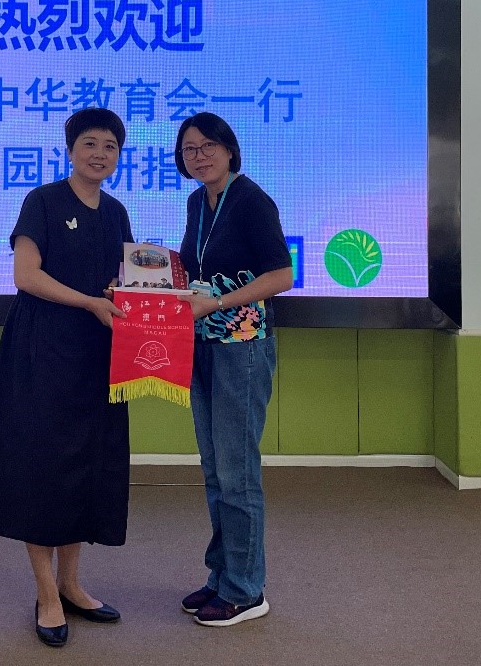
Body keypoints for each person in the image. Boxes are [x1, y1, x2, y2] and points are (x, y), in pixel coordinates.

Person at [0, 107, 133, 648]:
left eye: (110, 146)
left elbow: (122, 282)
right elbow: (26, 275)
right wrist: (88, 301)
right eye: (90, 143)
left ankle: (71, 583)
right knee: (43, 467)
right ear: (70, 150)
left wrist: (142, 297)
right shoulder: (42, 201)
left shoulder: (116, 212)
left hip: (96, 352)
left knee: (84, 464)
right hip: (41, 349)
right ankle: (46, 594)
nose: (99, 154)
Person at [174, 112, 293, 627]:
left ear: (229, 149)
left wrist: (218, 304)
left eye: (208, 146)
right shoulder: (197, 203)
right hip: (202, 344)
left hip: (242, 346)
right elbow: (196, 270)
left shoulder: (251, 200)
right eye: (189, 149)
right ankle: (222, 574)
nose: (199, 156)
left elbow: (282, 275)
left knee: (237, 472)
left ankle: (246, 590)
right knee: (215, 468)